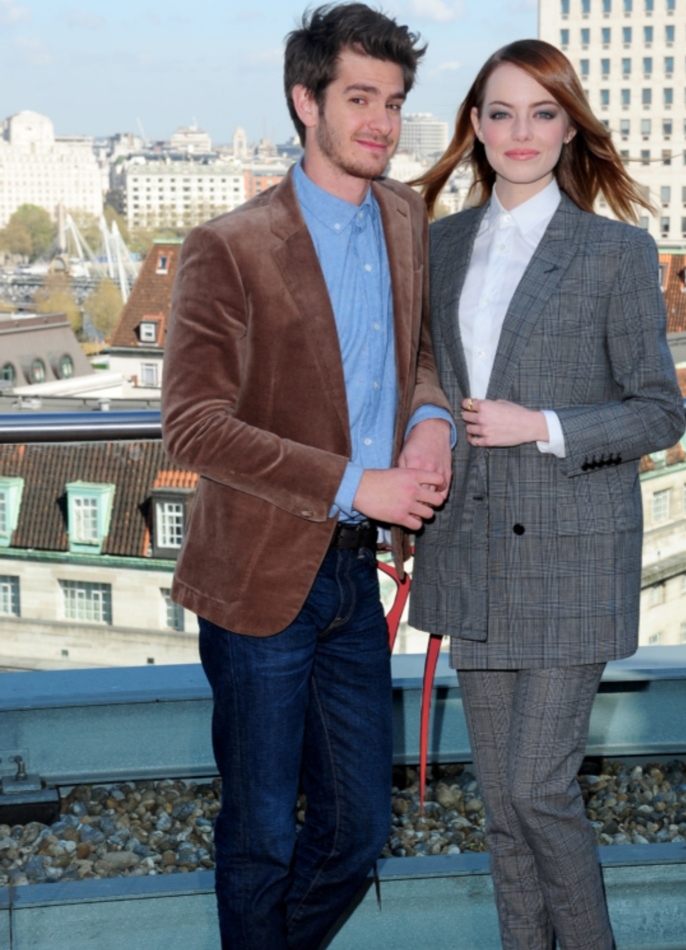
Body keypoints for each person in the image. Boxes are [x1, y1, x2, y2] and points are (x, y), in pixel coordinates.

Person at [161, 5, 453, 948]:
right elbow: (195, 426)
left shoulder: (407, 216)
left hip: (354, 579)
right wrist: (352, 483)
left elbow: (417, 357)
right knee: (257, 838)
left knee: (361, 827)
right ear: (305, 101)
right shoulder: (230, 246)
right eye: (359, 97)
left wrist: (433, 422)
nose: (381, 122)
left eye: (395, 102)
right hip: (256, 581)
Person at [409, 40, 686, 950]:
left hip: (573, 556)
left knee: (537, 789)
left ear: (570, 127)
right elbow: (419, 380)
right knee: (501, 812)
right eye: (499, 113)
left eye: (540, 112)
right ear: (475, 129)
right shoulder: (439, 244)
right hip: (472, 555)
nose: (518, 132)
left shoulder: (613, 251)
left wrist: (546, 424)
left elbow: (659, 412)